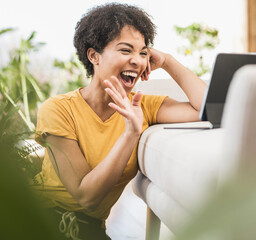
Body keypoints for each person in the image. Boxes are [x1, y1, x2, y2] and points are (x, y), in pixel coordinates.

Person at [33, 3, 206, 239]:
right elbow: (87, 197)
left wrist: (168, 61)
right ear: (94, 55)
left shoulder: (143, 105)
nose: (138, 60)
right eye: (126, 50)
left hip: (91, 229)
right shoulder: (58, 109)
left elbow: (206, 109)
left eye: (143, 52)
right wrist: (130, 134)